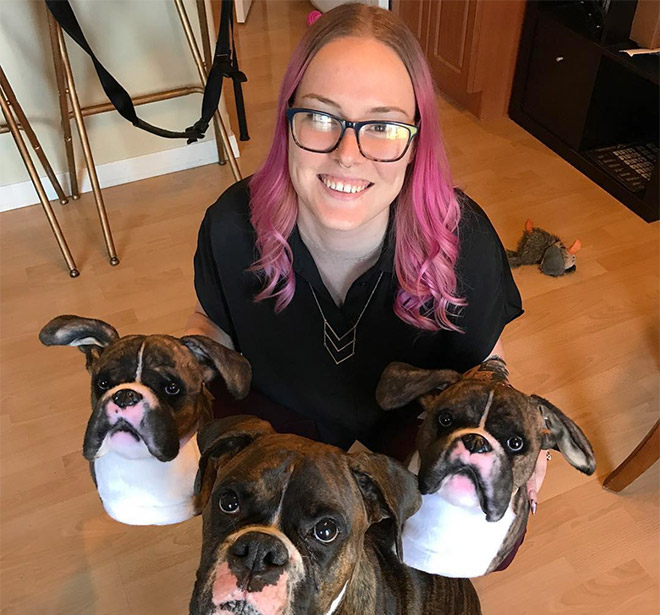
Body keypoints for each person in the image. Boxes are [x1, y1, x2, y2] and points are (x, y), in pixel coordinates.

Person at [185, 3, 546, 511]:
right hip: (276, 415)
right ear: (287, 121)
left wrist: (515, 423)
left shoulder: (464, 241)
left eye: (383, 126)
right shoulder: (230, 225)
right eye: (319, 116)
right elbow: (212, 324)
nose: (348, 154)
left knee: (471, 533)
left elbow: (484, 359)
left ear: (418, 142)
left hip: (414, 422)